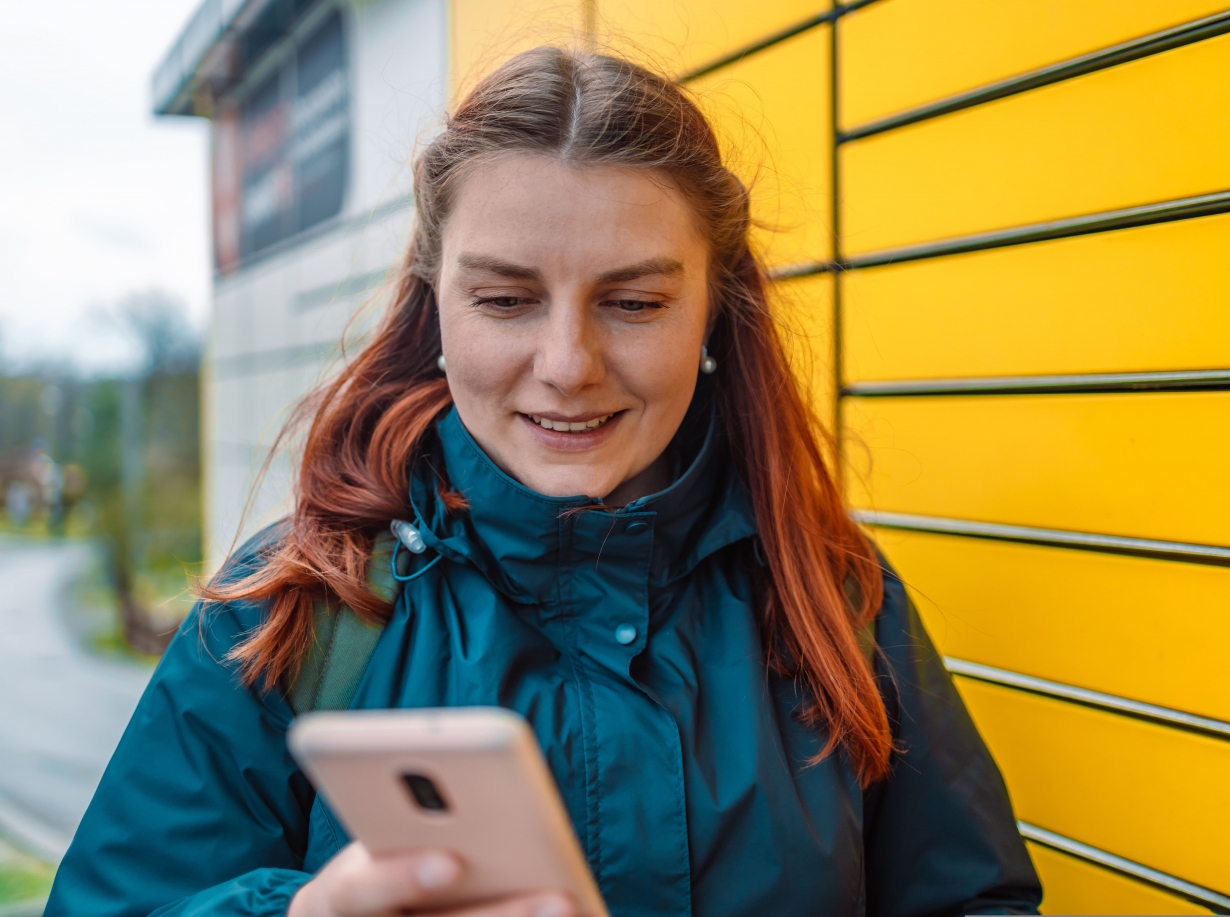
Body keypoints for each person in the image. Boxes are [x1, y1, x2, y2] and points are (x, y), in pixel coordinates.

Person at [45, 47, 1041, 917]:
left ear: (712, 313)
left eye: (635, 300)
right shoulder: (293, 610)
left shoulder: (831, 596)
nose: (567, 362)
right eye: (507, 297)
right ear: (435, 308)